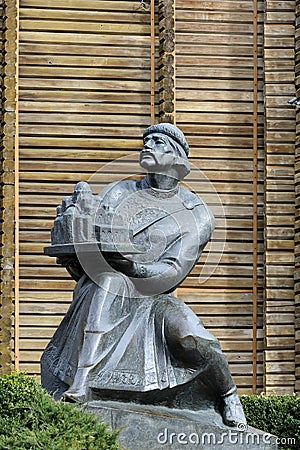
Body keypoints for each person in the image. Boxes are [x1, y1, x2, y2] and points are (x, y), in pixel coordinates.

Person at [41, 123, 246, 428]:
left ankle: (228, 393)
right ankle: (81, 382)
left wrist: (133, 268)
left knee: (189, 337)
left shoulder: (196, 211)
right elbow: (92, 244)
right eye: (146, 140)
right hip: (104, 285)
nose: (147, 145)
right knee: (107, 284)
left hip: (154, 297)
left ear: (176, 156)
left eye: (158, 142)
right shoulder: (119, 191)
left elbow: (173, 271)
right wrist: (72, 248)